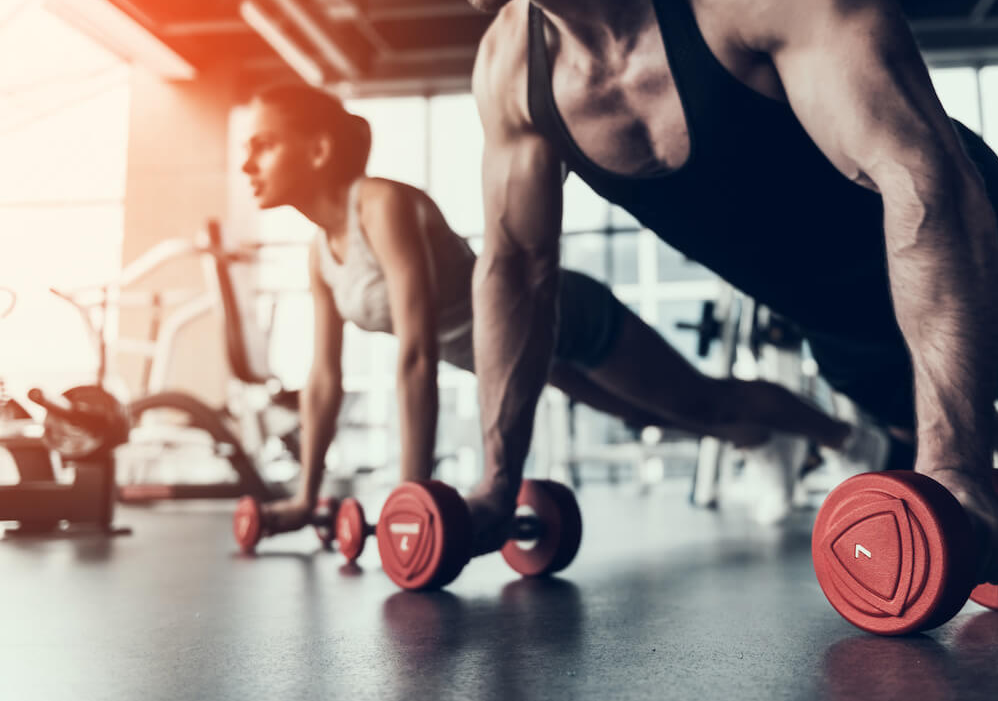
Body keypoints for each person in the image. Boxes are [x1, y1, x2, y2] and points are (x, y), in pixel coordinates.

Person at [395, 0, 998, 569]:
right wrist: (495, 490)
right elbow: (515, 268)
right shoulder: (511, 69)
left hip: (956, 243)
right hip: (833, 322)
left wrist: (954, 470)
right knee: (912, 425)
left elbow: (919, 177)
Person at [239, 83, 862, 532]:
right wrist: (302, 498)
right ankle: (762, 443)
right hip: (517, 354)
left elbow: (417, 351)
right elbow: (323, 382)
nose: (247, 164)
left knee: (701, 400)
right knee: (653, 415)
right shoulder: (320, 253)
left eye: (263, 145)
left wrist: (411, 492)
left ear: (318, 150)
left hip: (563, 313)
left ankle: (850, 439)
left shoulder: (380, 205)